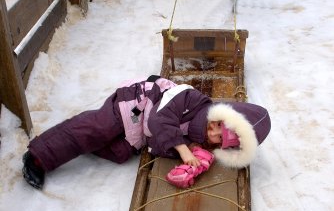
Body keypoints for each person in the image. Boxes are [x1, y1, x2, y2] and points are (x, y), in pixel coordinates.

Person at [22, 75, 271, 190]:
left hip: (139, 137)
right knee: (99, 128)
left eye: (221, 143)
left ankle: (77, 139)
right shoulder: (191, 98)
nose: (214, 137)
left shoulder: (199, 141)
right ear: (220, 116)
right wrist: (184, 150)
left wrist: (190, 161)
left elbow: (161, 146)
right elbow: (160, 120)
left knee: (119, 153)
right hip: (136, 106)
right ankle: (38, 156)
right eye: (219, 129)